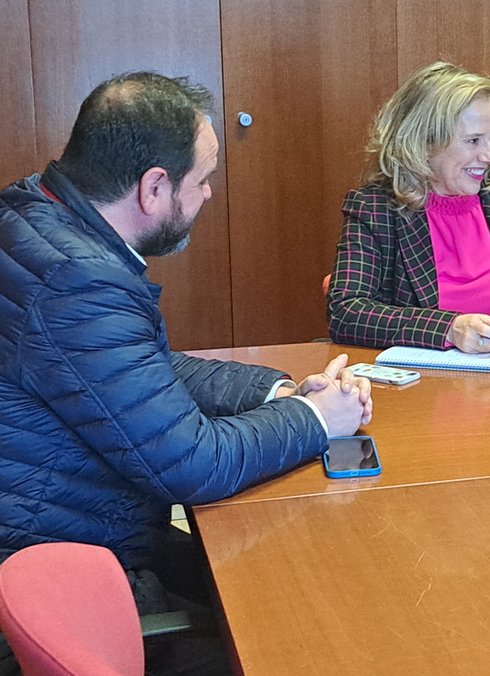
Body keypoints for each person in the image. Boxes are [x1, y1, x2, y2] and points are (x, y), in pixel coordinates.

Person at [0, 72, 372, 672]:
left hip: (63, 519)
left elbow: (128, 369)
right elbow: (195, 464)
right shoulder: (80, 282)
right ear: (153, 188)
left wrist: (274, 390)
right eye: (201, 181)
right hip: (72, 557)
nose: (207, 196)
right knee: (310, 618)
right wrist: (314, 419)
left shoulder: (33, 215)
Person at [327, 61, 490, 353]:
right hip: (425, 388)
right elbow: (347, 312)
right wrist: (449, 328)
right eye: (473, 140)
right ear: (424, 145)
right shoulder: (376, 209)